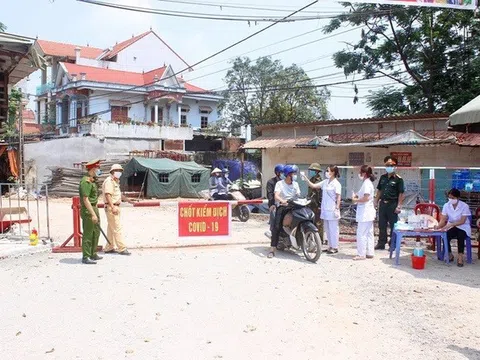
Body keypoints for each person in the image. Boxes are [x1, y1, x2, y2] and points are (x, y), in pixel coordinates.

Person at [303, 165, 342, 254]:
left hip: (332, 209)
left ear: (333, 172)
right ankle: (330, 246)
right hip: (325, 208)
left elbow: (338, 197)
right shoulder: (325, 182)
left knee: (333, 229)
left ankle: (335, 247)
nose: (326, 172)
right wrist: (305, 178)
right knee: (327, 228)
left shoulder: (337, 184)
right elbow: (313, 186)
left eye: (328, 171)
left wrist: (337, 207)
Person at [268, 164, 301, 258]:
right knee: (276, 227)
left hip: (294, 206)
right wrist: (282, 201)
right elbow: (276, 195)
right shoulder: (279, 184)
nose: (295, 175)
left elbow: (298, 195)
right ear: (288, 175)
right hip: (283, 206)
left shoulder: (296, 184)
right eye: (293, 174)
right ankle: (272, 249)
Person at [102, 164, 135, 256]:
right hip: (112, 206)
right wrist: (112, 207)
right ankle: (122, 248)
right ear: (112, 172)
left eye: (120, 171)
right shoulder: (109, 181)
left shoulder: (115, 181)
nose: (119, 172)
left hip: (114, 206)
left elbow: (119, 195)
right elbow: (108, 195)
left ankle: (109, 247)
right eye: (117, 170)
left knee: (111, 228)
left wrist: (128, 200)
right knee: (117, 228)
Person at [374, 156, 405, 250]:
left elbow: (401, 193)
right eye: (387, 165)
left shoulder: (399, 179)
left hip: (393, 204)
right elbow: (379, 190)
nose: (389, 167)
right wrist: (375, 201)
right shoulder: (383, 177)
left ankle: (393, 244)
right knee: (381, 225)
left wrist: (399, 206)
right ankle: (381, 243)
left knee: (393, 225)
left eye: (391, 165)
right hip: (383, 204)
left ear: (395, 166)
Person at [435, 188, 471, 267]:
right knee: (445, 235)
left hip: (462, 226)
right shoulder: (446, 205)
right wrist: (437, 226)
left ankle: (460, 256)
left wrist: (451, 224)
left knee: (461, 235)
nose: (451, 199)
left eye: (453, 198)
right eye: (449, 197)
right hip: (451, 226)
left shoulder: (464, 206)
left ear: (457, 198)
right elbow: (443, 219)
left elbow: (462, 221)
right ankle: (450, 254)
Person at [79, 159, 103, 265]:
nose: (99, 170)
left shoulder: (92, 180)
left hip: (94, 208)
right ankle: (86, 256)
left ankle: (93, 253)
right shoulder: (86, 181)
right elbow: (85, 199)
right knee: (88, 233)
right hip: (89, 210)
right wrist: (93, 213)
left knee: (95, 232)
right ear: (93, 169)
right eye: (98, 168)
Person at [352, 165, 376, 260]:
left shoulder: (366, 183)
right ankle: (370, 252)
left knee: (361, 233)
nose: (359, 174)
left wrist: (355, 200)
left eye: (360, 172)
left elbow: (366, 198)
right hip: (368, 212)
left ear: (364, 173)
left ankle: (361, 254)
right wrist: (356, 195)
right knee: (369, 232)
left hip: (365, 212)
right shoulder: (367, 183)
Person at [265, 164, 284, 236]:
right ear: (277, 173)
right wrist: (272, 204)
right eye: (281, 172)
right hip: (275, 204)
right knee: (274, 219)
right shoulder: (271, 182)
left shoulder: (285, 182)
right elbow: (270, 194)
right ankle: (273, 234)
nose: (283, 174)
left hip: (284, 204)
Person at [307, 163, 324, 243]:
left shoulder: (319, 181)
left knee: (318, 223)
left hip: (317, 205)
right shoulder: (312, 179)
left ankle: (319, 241)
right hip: (311, 204)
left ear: (316, 171)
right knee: (312, 221)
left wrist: (320, 205)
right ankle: (312, 239)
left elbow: (321, 194)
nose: (310, 172)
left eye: (311, 170)